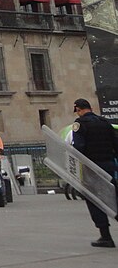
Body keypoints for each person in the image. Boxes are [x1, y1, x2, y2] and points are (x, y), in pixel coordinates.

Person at [71, 97, 118, 248]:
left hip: (92, 168)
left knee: (95, 200)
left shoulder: (80, 124)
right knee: (114, 197)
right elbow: (115, 144)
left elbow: (78, 148)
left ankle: (106, 236)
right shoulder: (104, 122)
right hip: (109, 165)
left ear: (78, 110)